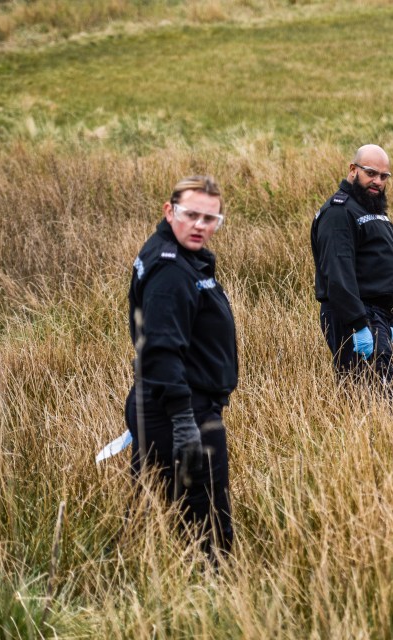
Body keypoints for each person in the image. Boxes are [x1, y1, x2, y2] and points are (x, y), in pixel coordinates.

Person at [126, 175, 237, 562]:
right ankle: (213, 593)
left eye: (210, 219)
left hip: (163, 404)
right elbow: (160, 350)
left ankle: (138, 577)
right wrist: (184, 422)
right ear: (169, 211)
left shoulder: (176, 254)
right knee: (207, 516)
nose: (200, 226)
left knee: (153, 511)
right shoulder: (171, 271)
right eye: (191, 215)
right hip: (182, 411)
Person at [311, 144, 393, 395]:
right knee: (374, 394)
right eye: (371, 173)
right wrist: (359, 325)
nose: (377, 181)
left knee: (374, 389)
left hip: (378, 315)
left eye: (384, 176)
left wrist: (389, 317)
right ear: (353, 170)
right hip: (356, 316)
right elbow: (337, 274)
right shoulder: (338, 213)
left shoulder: (369, 208)